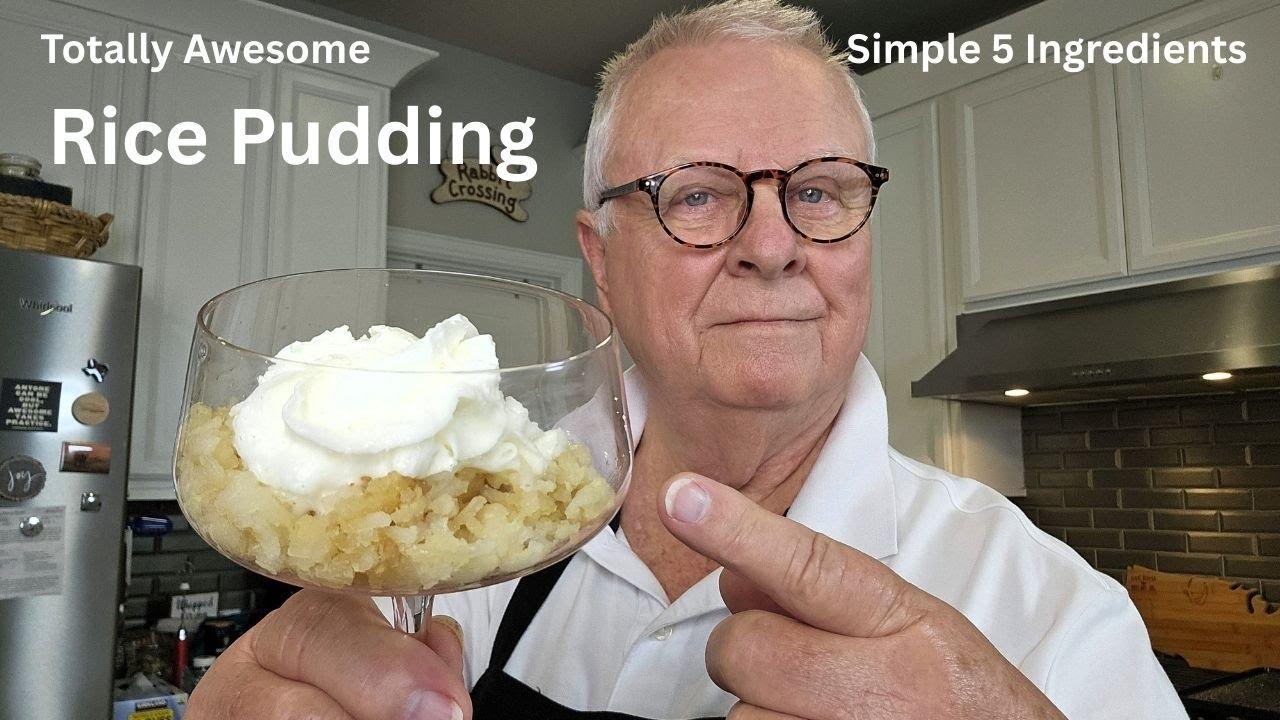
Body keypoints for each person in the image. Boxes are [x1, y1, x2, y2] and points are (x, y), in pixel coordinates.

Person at [188, 1, 1186, 718]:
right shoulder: (469, 535)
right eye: (698, 195)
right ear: (601, 261)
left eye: (820, 191)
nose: (772, 244)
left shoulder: (1048, 612)